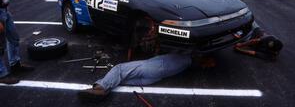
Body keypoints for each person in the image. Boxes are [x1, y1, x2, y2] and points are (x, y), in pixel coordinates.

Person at [78, 53, 215, 101]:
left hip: (154, 67)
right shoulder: (185, 66)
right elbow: (199, 62)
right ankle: (102, 90)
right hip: (153, 79)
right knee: (121, 79)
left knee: (119, 69)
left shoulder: (185, 57)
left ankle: (101, 87)